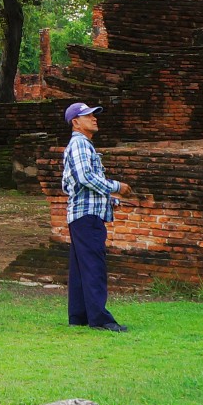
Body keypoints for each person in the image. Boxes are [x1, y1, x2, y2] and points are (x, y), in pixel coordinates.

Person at [60, 101, 127, 332]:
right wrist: (115, 186)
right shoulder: (80, 144)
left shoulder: (82, 145)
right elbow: (84, 178)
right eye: (88, 116)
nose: (94, 118)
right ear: (75, 122)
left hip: (82, 214)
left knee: (81, 268)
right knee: (93, 266)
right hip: (87, 217)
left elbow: (69, 184)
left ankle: (79, 316)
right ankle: (100, 318)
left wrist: (110, 200)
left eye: (94, 115)